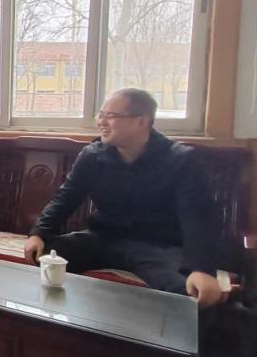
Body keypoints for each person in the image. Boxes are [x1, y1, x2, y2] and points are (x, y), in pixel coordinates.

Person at [23, 88, 223, 307]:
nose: (101, 122)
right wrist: (39, 233)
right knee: (44, 256)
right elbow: (66, 197)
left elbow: (197, 218)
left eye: (111, 116)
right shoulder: (93, 155)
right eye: (101, 115)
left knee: (188, 289)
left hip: (157, 247)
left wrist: (202, 268)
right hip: (103, 239)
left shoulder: (181, 160)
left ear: (142, 121)